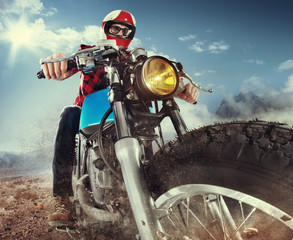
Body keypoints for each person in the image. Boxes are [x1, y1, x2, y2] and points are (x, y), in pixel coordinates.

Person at [41, 10, 199, 227]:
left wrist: (183, 88)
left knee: (147, 130)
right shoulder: (89, 51)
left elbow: (159, 78)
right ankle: (62, 198)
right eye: (116, 28)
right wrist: (57, 62)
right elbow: (66, 65)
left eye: (126, 31)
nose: (121, 33)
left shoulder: (138, 60)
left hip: (130, 115)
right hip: (91, 112)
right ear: (106, 28)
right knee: (69, 114)